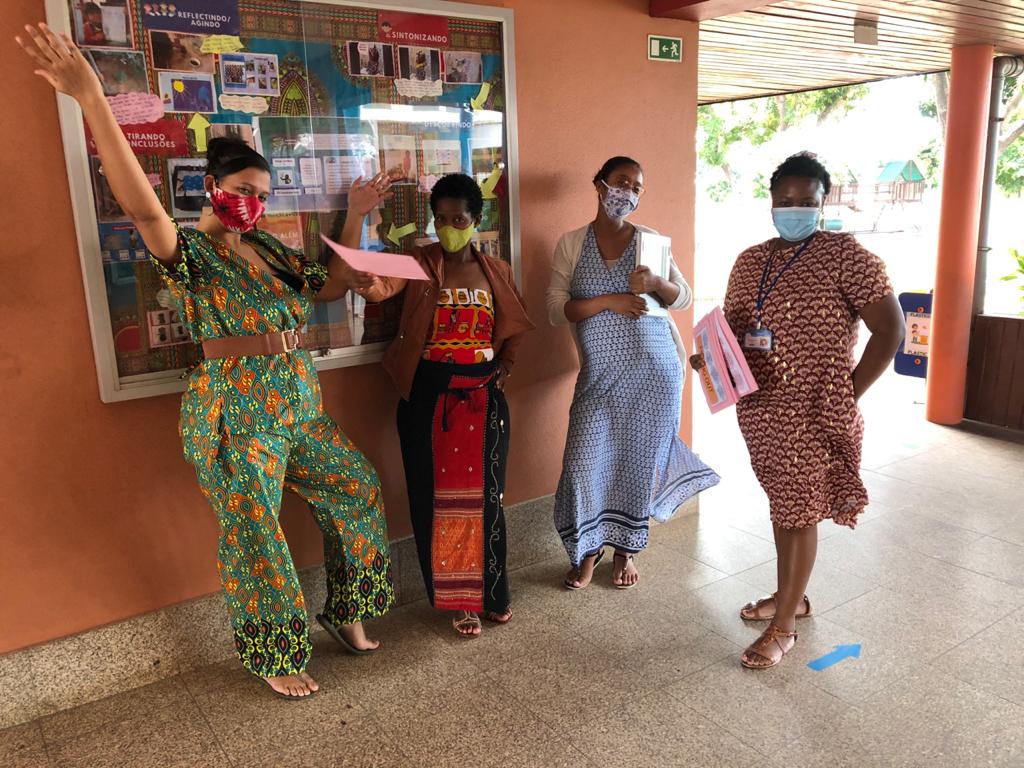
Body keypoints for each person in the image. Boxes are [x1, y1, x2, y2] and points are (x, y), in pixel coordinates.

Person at [16, 24, 396, 698]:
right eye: (242, 188)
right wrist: (91, 100)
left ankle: (348, 614)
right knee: (256, 533)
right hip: (235, 417)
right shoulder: (191, 254)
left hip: (298, 406)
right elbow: (139, 207)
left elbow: (328, 285)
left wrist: (357, 223)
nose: (252, 202)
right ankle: (277, 653)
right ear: (212, 186)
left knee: (358, 487)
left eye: (263, 192)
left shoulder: (273, 250)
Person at [723, 152, 904, 669]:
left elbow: (890, 331)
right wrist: (711, 359)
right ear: (772, 202)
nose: (795, 209)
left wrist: (848, 393)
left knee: (800, 513)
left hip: (814, 413)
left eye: (807, 202)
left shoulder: (848, 256)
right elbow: (734, 330)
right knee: (786, 507)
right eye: (786, 201)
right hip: (760, 411)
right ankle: (791, 597)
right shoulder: (751, 261)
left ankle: (784, 627)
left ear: (824, 203)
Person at [340, 173, 534, 637]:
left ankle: (492, 592)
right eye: (441, 218)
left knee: (487, 499)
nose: (449, 227)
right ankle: (457, 602)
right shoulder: (420, 262)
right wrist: (363, 273)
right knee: (438, 504)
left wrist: (505, 364)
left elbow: (511, 327)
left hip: (484, 400)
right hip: (429, 398)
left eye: (459, 219)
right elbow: (378, 288)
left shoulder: (497, 271)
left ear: (476, 221)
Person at [547, 156, 719, 590]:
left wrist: (657, 284)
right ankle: (588, 550)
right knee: (585, 462)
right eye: (621, 182)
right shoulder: (570, 243)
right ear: (599, 184)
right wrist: (609, 300)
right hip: (601, 378)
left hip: (654, 373)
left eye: (637, 187)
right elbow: (554, 309)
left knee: (637, 464)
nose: (629, 191)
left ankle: (624, 552)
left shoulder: (651, 241)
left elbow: (683, 297)